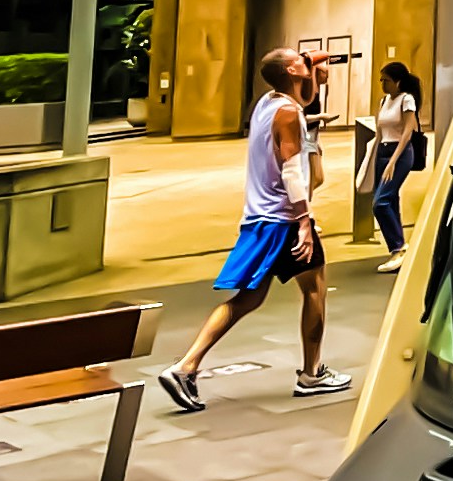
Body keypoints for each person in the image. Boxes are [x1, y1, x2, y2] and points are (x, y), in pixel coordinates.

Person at [160, 47, 347, 411]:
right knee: (315, 289)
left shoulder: (267, 104)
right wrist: (305, 222)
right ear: (293, 70)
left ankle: (186, 367)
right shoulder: (290, 113)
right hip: (285, 220)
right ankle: (311, 373)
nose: (305, 61)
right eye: (300, 59)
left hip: (259, 219)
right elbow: (294, 171)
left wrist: (315, 76)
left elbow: (298, 97)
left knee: (248, 299)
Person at [362, 59, 429, 258]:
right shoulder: (383, 101)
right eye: (381, 80)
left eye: (387, 80)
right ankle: (398, 245)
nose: (383, 84)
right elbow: (380, 131)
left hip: (400, 153)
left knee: (380, 203)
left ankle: (397, 247)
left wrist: (393, 161)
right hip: (383, 151)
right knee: (390, 200)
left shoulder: (406, 99)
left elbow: (409, 130)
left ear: (398, 82)